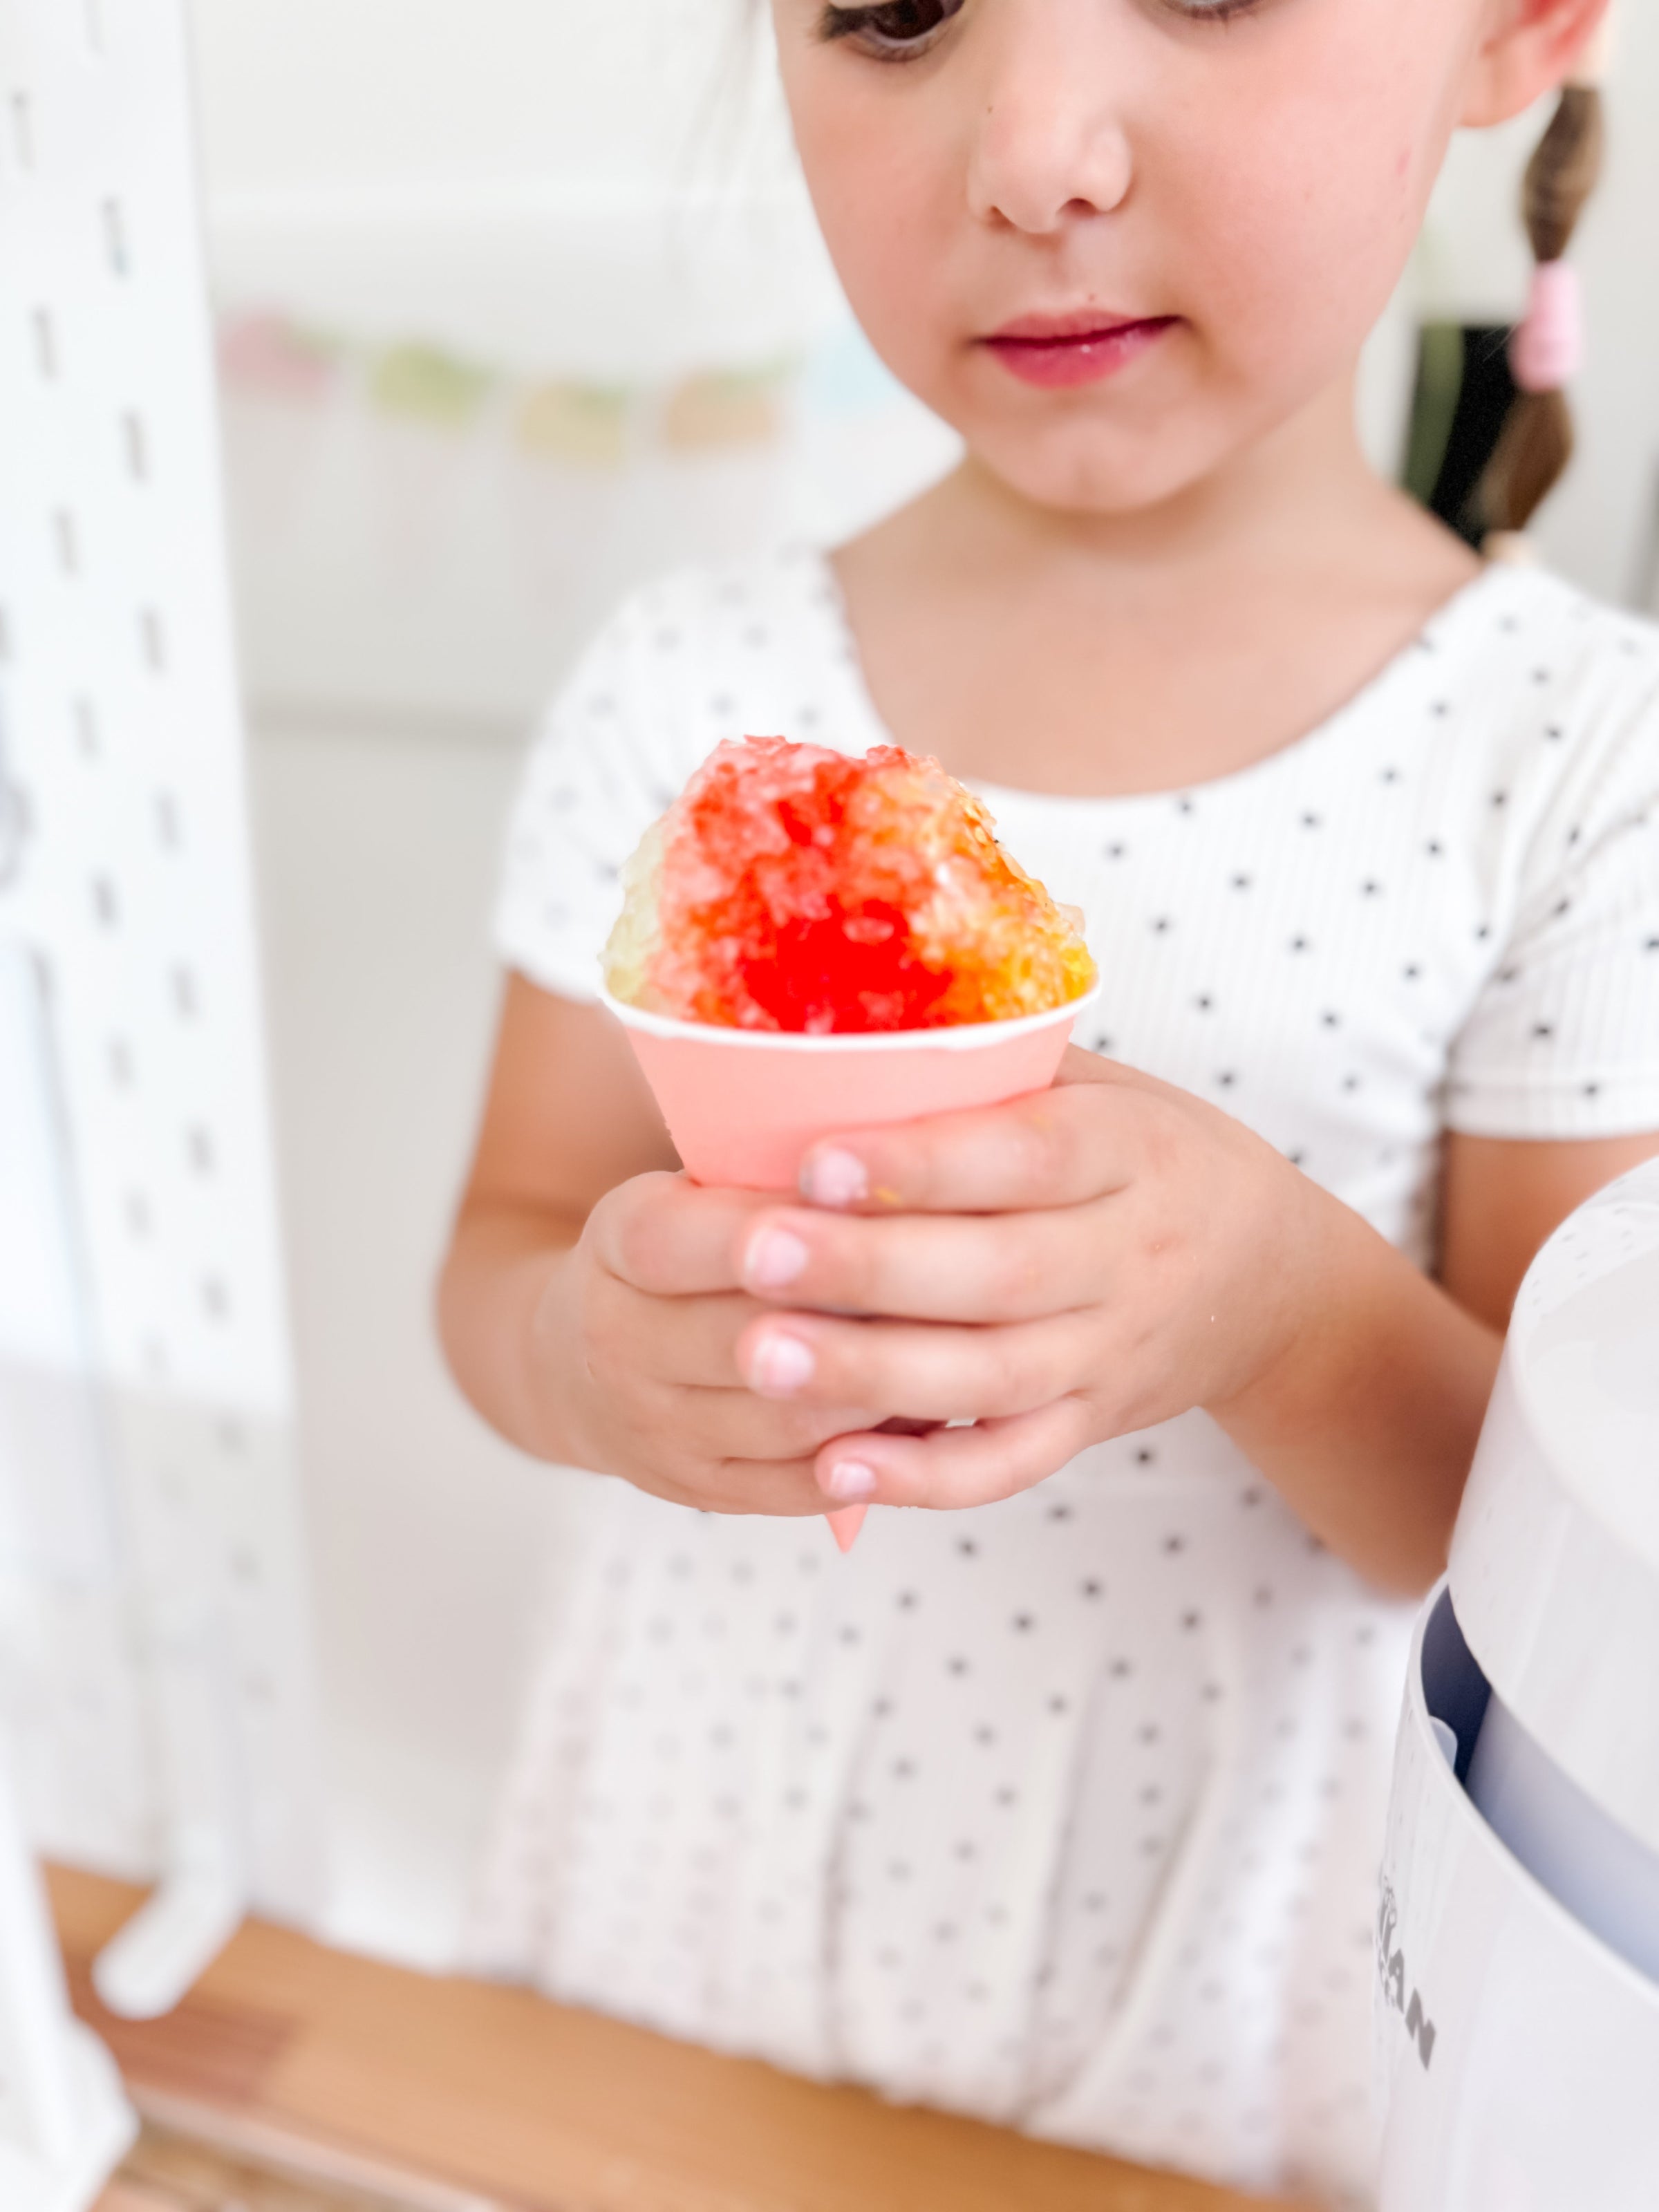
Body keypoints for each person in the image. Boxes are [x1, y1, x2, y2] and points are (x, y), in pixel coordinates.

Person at [440, 3, 1658, 2202]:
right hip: (676, 1950)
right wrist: (588, 1353)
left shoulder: (1578, 774)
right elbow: (503, 1258)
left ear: (1518, 31)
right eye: (898, 12)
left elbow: (1567, 1550)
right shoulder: (688, 696)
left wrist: (1280, 1302)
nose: (1037, 157)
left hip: (1205, 2048)